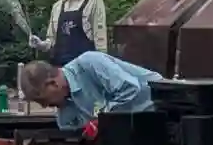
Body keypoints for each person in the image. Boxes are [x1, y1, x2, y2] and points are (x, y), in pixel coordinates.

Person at [19, 50, 160, 136]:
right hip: (134, 130)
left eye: (42, 100)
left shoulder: (90, 63)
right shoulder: (65, 114)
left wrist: (101, 120)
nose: (44, 106)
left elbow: (130, 88)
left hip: (161, 108)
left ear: (52, 84)